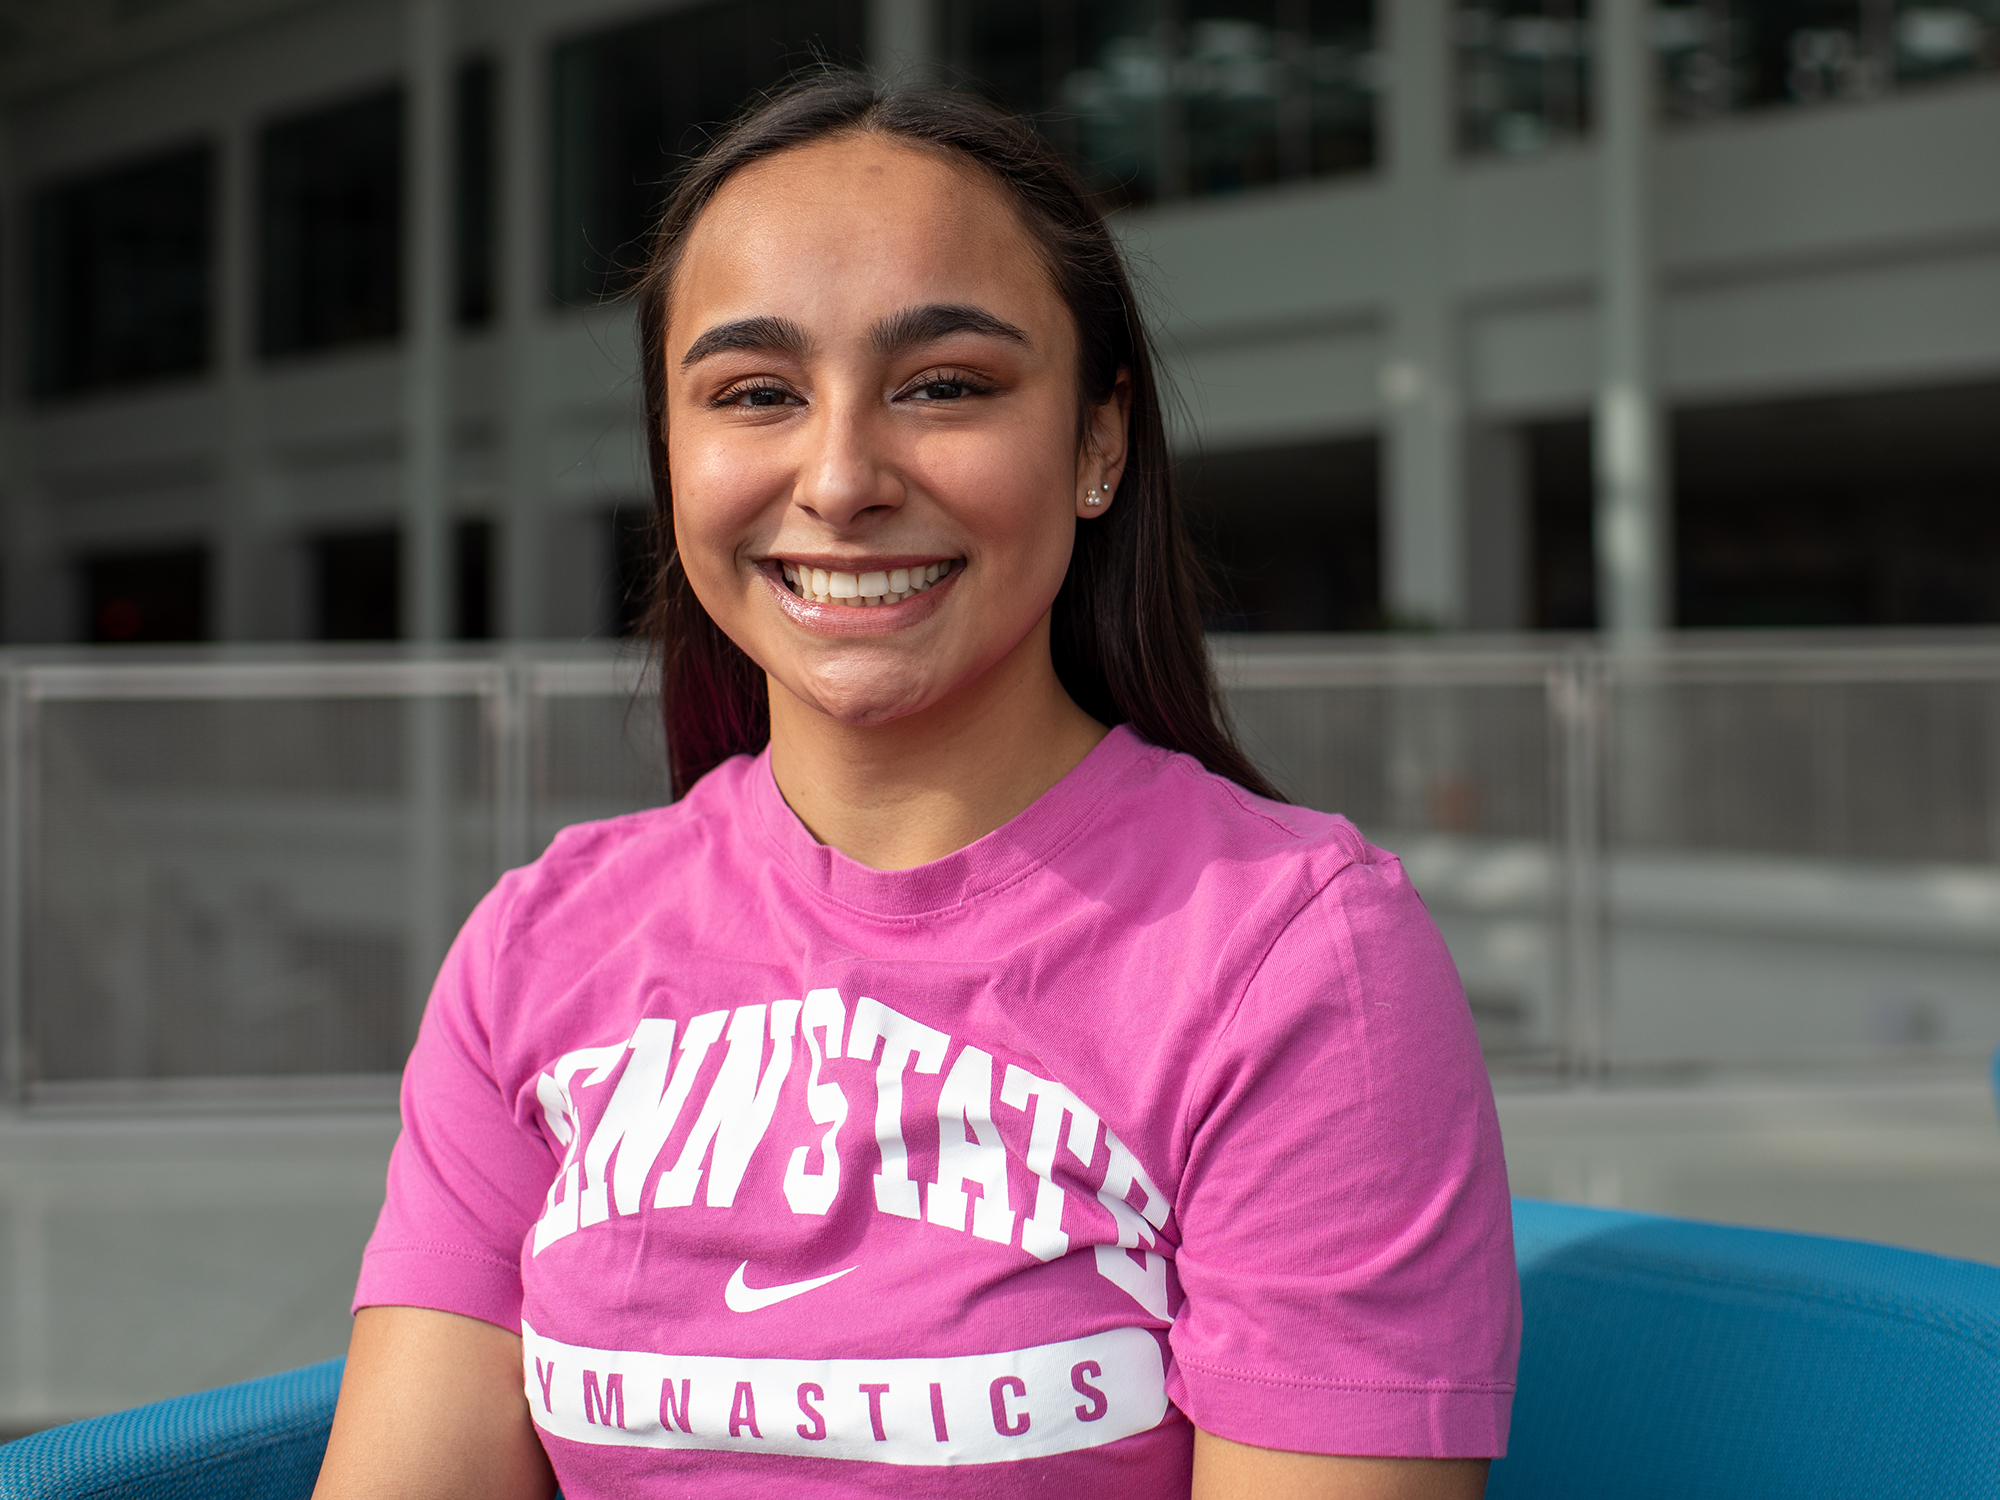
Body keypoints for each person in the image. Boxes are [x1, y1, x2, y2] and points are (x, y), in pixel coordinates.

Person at [312, 73, 1519, 1500]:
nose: (838, 477)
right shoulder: (536, 949)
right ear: (672, 452)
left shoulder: (1297, 960)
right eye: (754, 394)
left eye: (945, 385)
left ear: (1097, 442)